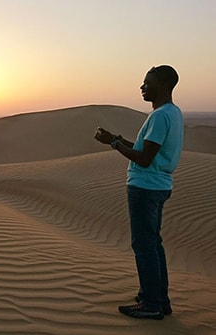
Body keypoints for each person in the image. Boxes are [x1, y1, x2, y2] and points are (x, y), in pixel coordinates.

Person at [94, 65, 183, 320]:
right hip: (159, 185)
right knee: (153, 243)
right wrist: (117, 139)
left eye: (147, 82)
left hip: (146, 187)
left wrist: (113, 143)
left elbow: (144, 159)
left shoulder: (160, 116)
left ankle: (152, 303)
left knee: (144, 245)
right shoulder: (173, 113)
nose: (142, 87)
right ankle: (157, 298)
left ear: (164, 85)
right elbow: (149, 151)